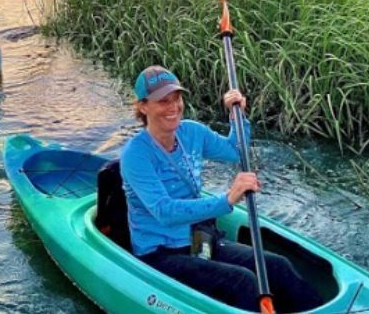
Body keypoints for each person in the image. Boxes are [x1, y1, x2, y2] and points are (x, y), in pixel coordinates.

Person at [120, 65, 323, 313]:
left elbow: (235, 151)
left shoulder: (192, 132)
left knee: (277, 265)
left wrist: (237, 115)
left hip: (198, 238)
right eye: (163, 101)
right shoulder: (136, 154)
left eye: (177, 98)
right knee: (243, 281)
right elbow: (165, 211)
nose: (173, 107)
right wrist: (227, 199)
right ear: (143, 106)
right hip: (161, 253)